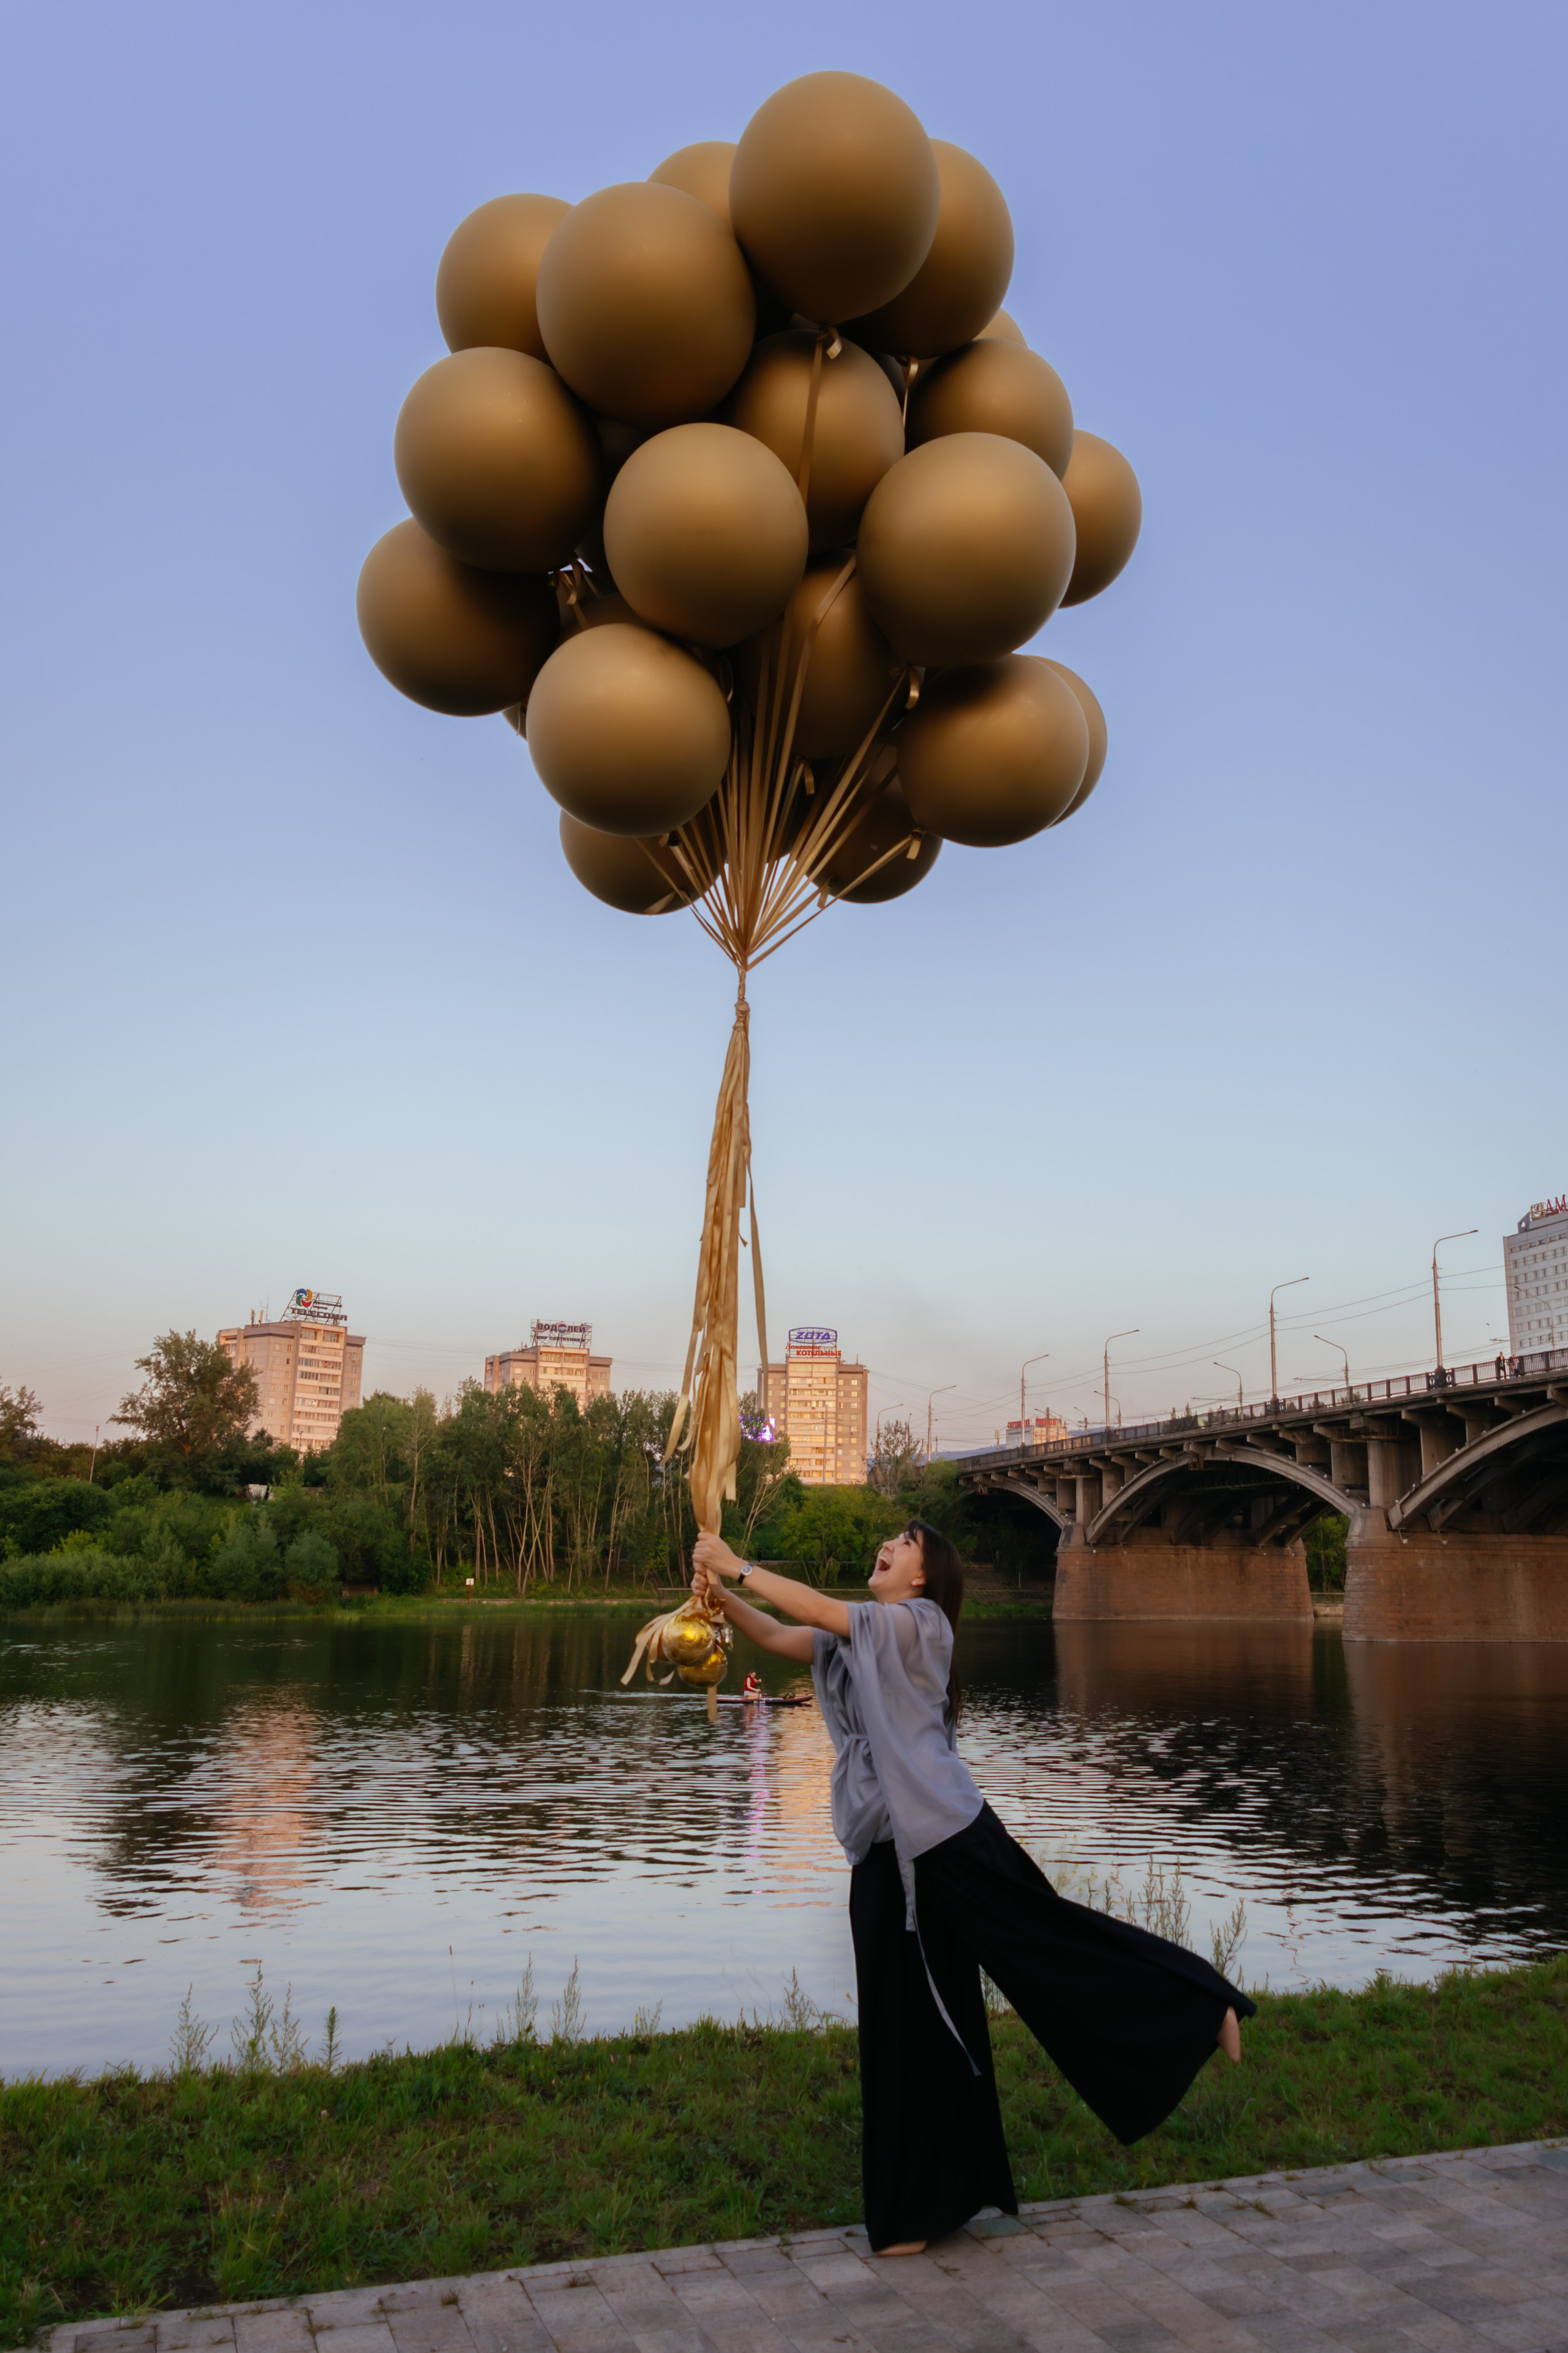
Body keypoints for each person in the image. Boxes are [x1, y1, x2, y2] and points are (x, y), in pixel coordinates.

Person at [692, 1521, 1253, 2257]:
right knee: (906, 2023)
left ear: (924, 1577)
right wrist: (716, 1598)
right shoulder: (855, 1638)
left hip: (950, 1839)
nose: (887, 1544)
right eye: (887, 1537)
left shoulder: (919, 1627)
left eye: (903, 1541)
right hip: (884, 1854)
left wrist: (737, 1565)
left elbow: (822, 1611)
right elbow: (778, 1633)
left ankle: (1194, 2004)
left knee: (1047, 1948)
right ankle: (922, 2207)